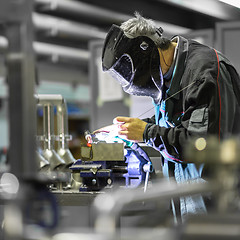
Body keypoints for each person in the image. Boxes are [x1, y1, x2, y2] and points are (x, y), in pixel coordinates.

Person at [101, 12, 240, 221]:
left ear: (146, 50)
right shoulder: (166, 75)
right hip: (187, 204)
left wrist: (147, 133)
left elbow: (201, 145)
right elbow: (178, 125)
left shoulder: (203, 70)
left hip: (217, 208)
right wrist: (135, 128)